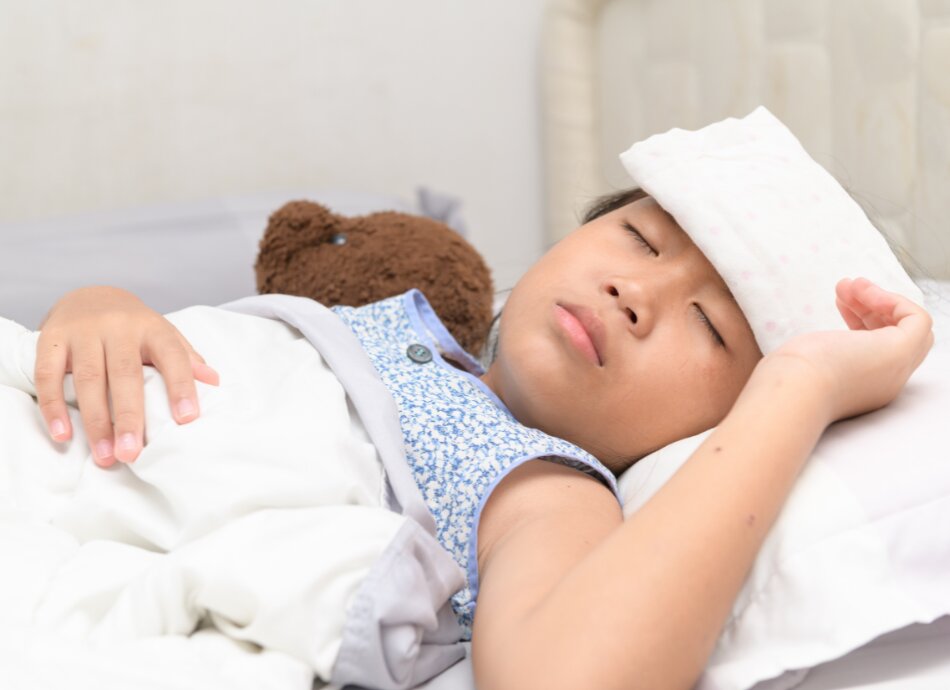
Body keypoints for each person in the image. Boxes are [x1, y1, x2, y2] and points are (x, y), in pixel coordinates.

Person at [18, 113, 936, 689]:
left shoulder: (543, 488)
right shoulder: (381, 326)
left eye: (709, 325)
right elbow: (219, 357)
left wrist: (801, 387)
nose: (635, 292)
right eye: (639, 240)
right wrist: (103, 312)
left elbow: (566, 674)